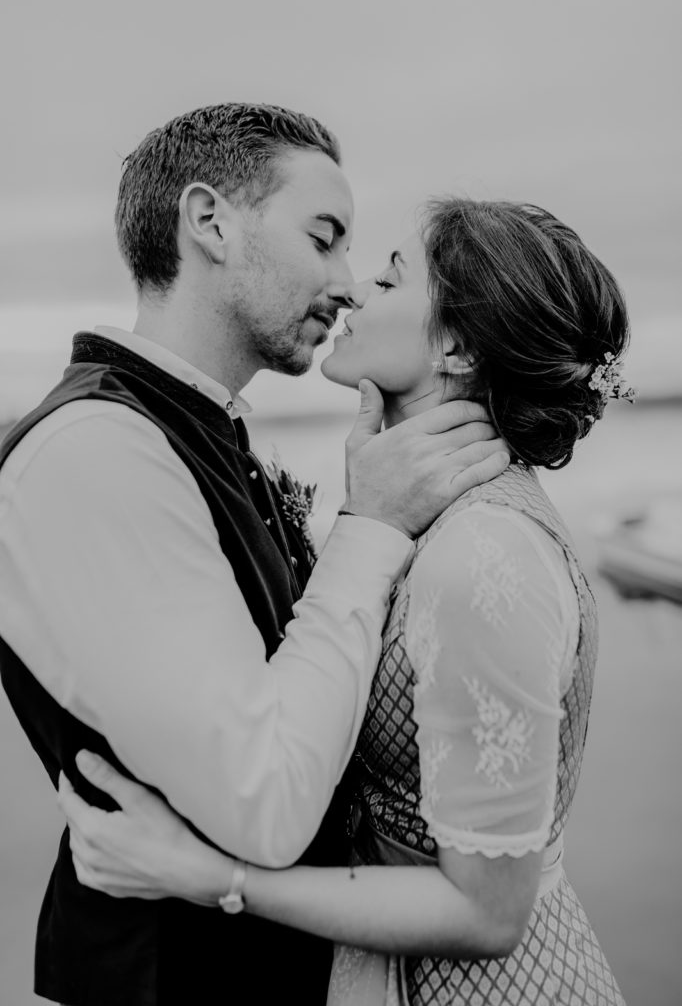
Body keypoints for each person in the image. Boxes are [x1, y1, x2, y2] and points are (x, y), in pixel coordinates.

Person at [59, 198, 632, 1005]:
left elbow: (489, 911)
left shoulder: (484, 553)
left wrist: (215, 877)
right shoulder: (416, 513)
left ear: (458, 345)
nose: (355, 291)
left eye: (391, 278)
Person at [0, 105, 508, 1006]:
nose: (350, 283)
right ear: (210, 223)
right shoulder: (94, 451)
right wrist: (372, 527)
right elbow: (263, 805)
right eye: (325, 239)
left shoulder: (196, 430)